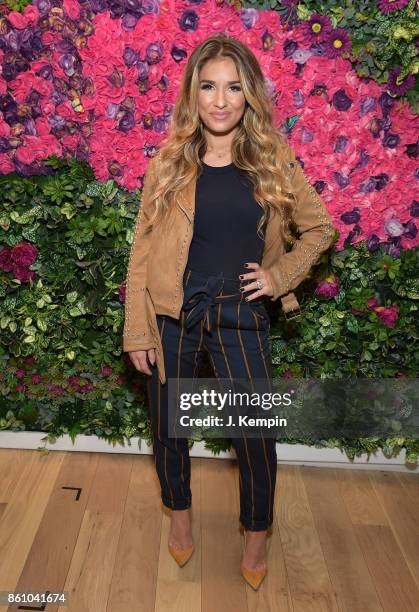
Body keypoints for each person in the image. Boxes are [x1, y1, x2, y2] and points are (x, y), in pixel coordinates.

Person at [123, 34, 336, 590]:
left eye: (234, 87)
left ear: (250, 96)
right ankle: (182, 517)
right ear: (193, 95)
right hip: (173, 310)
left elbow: (319, 229)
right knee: (170, 429)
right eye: (209, 87)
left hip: (242, 311)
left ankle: (256, 532)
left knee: (254, 436)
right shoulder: (168, 163)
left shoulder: (272, 160)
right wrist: (138, 329)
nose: (220, 100)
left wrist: (279, 276)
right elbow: (143, 252)